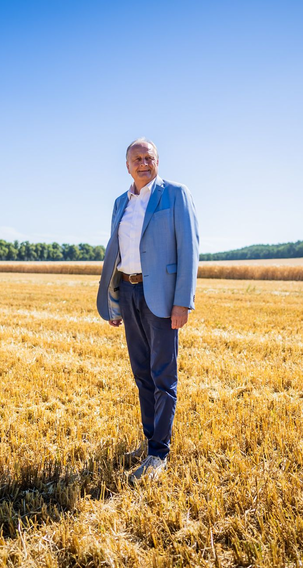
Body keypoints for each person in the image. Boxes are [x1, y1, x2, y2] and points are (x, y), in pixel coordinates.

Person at [96, 138, 199, 484]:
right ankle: (149, 439)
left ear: (157, 161)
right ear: (127, 166)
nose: (143, 162)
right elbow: (116, 252)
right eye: (136, 158)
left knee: (162, 377)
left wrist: (183, 301)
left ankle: (159, 454)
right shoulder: (119, 203)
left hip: (162, 296)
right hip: (128, 291)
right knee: (141, 374)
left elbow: (189, 249)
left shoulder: (175, 194)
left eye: (148, 157)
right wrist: (114, 300)